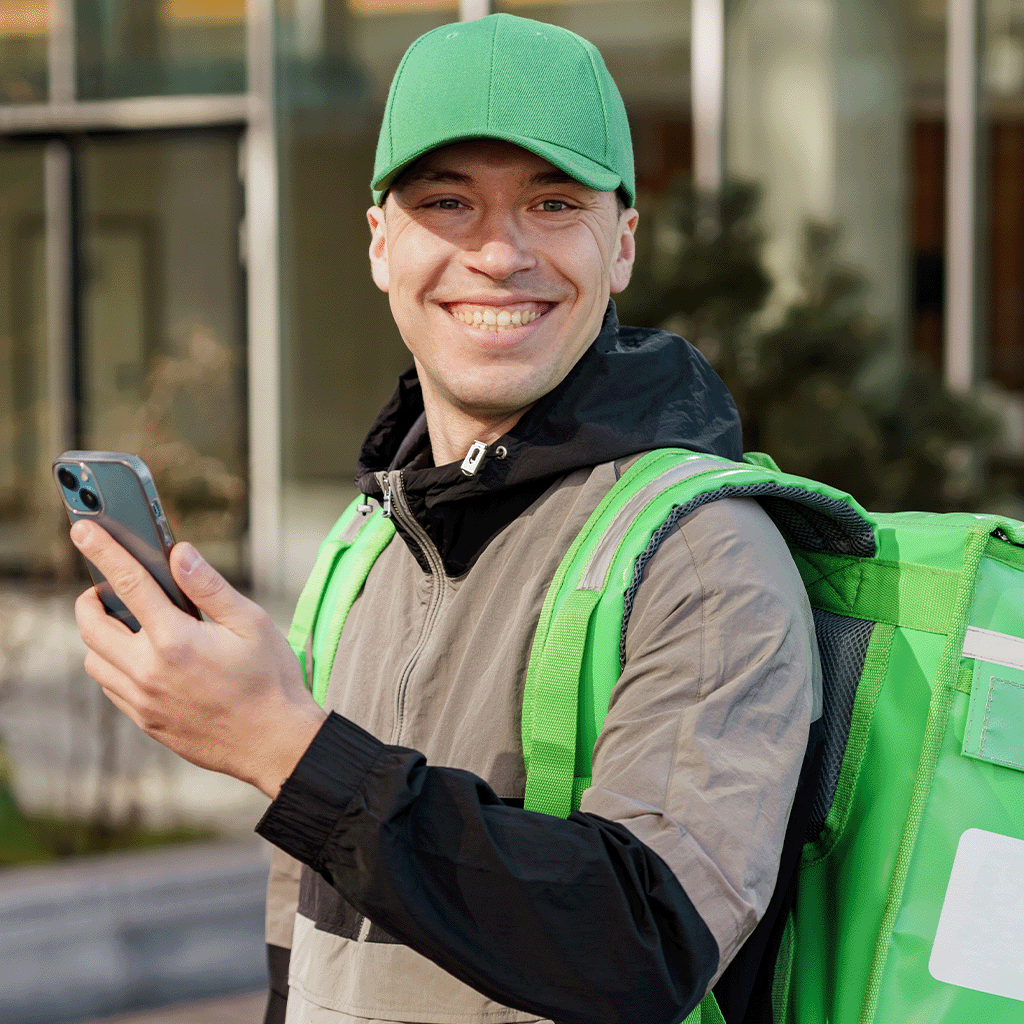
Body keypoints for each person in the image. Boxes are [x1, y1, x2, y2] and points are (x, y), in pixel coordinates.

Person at [71, 14, 821, 1024]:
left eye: (553, 203)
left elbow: (644, 943)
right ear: (382, 245)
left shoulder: (700, 554)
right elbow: (309, 934)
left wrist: (283, 747)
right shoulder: (367, 541)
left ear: (622, 245)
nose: (499, 253)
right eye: (446, 202)